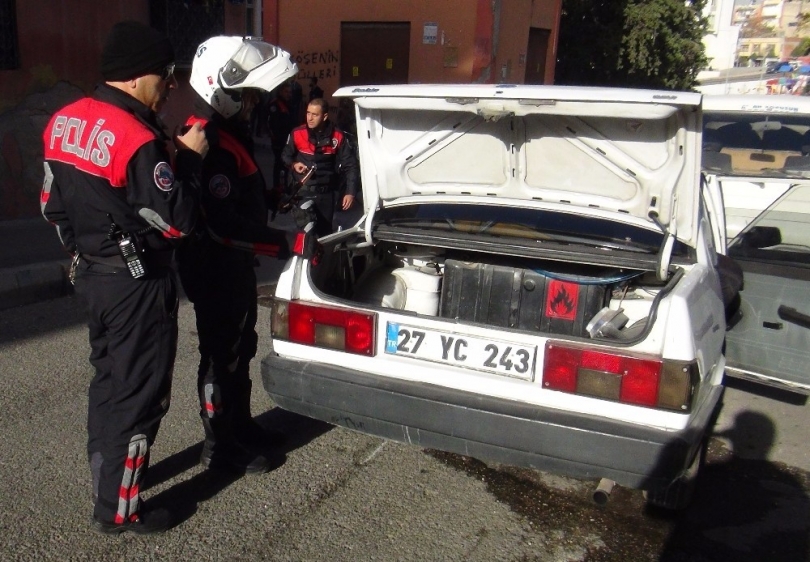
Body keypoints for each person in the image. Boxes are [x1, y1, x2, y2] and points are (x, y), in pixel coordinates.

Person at [40, 20, 208, 534]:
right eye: (166, 75)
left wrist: (86, 254)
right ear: (138, 77)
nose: (171, 85)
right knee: (141, 395)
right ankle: (118, 510)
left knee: (109, 382)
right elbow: (177, 220)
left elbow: (51, 206)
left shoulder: (62, 121)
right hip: (137, 285)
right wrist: (193, 164)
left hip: (93, 276)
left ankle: (107, 481)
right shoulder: (137, 137)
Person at [180, 35, 301, 474]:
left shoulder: (230, 134)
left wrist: (270, 197)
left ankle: (242, 426)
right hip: (214, 266)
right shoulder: (208, 139)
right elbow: (220, 223)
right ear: (224, 91)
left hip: (234, 266)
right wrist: (285, 242)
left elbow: (236, 199)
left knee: (241, 347)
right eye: (248, 96)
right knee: (220, 354)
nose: (254, 104)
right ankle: (218, 447)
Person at [281, 98, 359, 236]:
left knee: (325, 235)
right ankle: (303, 256)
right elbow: (285, 156)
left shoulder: (338, 136)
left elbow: (351, 166)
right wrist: (294, 164)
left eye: (314, 115)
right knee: (306, 233)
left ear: (325, 116)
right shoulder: (297, 133)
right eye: (308, 113)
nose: (309, 118)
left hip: (326, 194)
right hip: (303, 192)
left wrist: (350, 192)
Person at [266, 82, 297, 192]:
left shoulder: (290, 105)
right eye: (286, 92)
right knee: (279, 164)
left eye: (290, 92)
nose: (288, 94)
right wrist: (277, 139)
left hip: (288, 140)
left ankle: (286, 186)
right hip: (279, 140)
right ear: (280, 92)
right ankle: (277, 186)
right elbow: (272, 124)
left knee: (287, 164)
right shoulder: (275, 105)